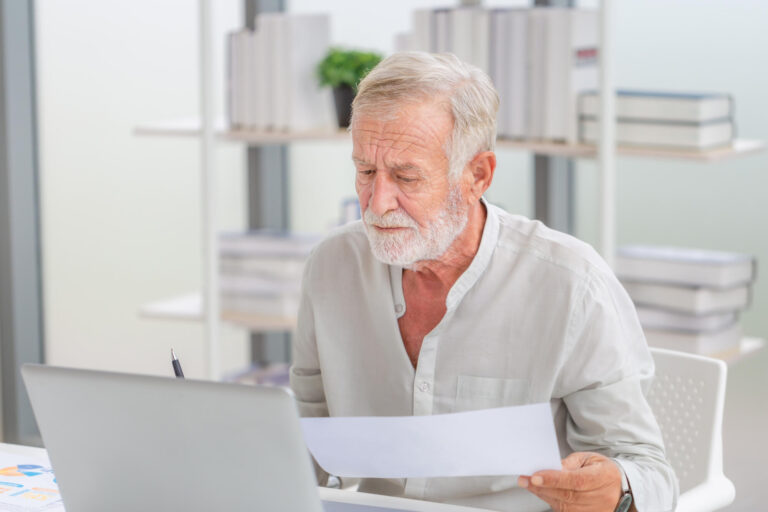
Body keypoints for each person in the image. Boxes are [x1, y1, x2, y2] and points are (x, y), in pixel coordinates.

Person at [290, 52, 678, 512]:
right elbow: (300, 446)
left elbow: (648, 472)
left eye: (406, 177)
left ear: (478, 175)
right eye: (366, 172)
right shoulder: (331, 267)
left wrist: (617, 490)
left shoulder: (572, 285)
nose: (378, 203)